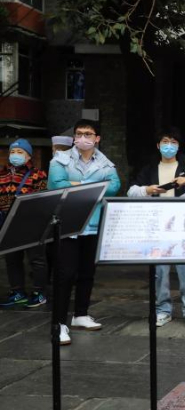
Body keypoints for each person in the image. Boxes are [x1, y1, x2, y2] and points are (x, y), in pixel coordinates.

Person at [127, 127, 185, 328]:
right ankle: (162, 310)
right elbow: (131, 191)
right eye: (165, 142)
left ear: (178, 146)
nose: (169, 146)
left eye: (173, 142)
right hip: (158, 227)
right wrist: (147, 190)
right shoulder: (150, 169)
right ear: (158, 145)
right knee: (159, 272)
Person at [48, 119, 121, 345]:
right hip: (68, 226)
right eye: (79, 134)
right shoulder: (59, 159)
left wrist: (76, 184)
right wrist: (94, 186)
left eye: (88, 134)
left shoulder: (105, 162)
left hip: (94, 224)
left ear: (97, 138)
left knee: (87, 272)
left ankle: (80, 314)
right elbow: (56, 185)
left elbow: (115, 186)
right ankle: (59, 324)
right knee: (65, 274)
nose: (83, 138)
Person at [0, 139, 49, 308]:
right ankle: (17, 292)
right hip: (7, 222)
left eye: (20, 152)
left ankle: (39, 292)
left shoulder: (38, 175)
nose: (15, 155)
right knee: (12, 259)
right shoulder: (2, 174)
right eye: (13, 152)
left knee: (36, 259)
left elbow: (42, 199)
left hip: (31, 222)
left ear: (28, 156)